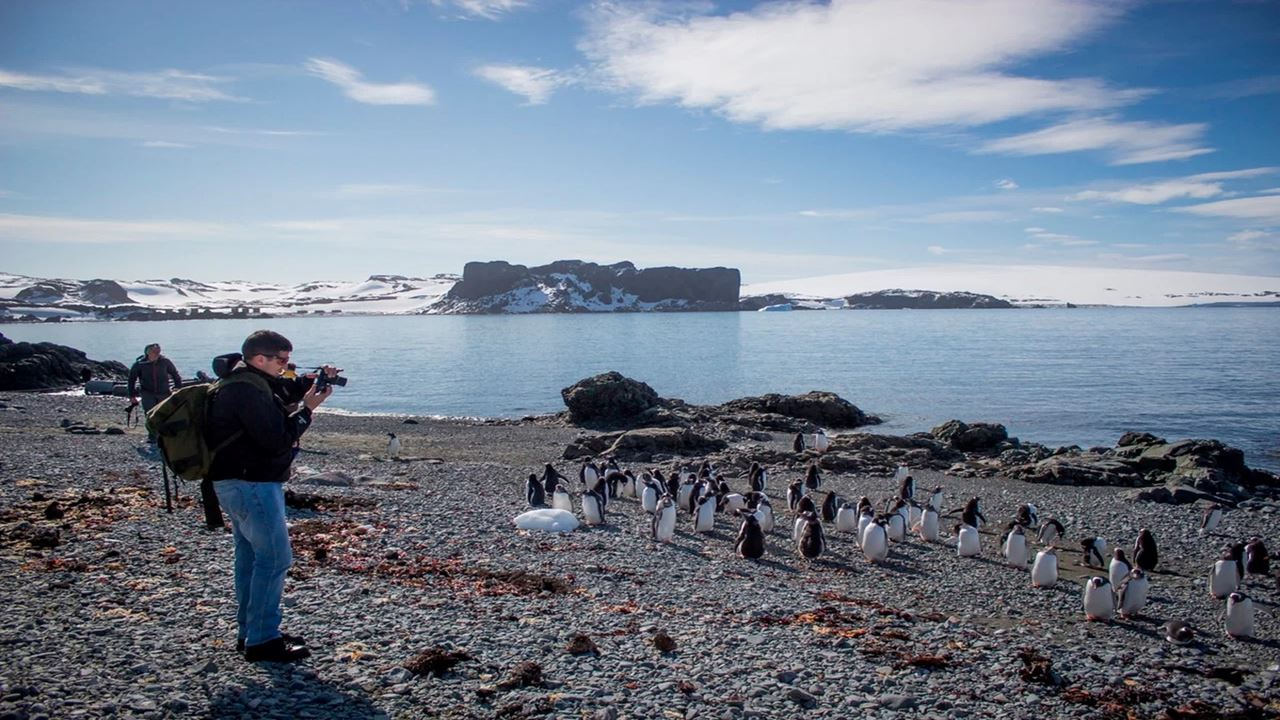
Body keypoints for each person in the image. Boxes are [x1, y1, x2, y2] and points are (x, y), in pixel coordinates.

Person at [205, 330, 336, 663]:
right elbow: (276, 438)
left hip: (236, 482)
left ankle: (250, 632)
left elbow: (277, 395)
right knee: (276, 558)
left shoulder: (243, 382)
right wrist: (308, 409)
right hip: (252, 483)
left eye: (289, 360)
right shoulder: (246, 391)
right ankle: (262, 640)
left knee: (250, 557)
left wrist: (307, 382)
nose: (286, 367)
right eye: (281, 360)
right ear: (259, 359)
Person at [127, 343, 182, 443]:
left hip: (164, 392)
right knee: (150, 414)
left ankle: (164, 435)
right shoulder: (139, 364)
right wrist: (132, 395)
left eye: (158, 350)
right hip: (147, 392)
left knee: (165, 413)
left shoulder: (165, 361)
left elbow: (175, 374)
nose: (157, 353)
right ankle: (152, 435)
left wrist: (177, 387)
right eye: (154, 351)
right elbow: (131, 380)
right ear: (147, 352)